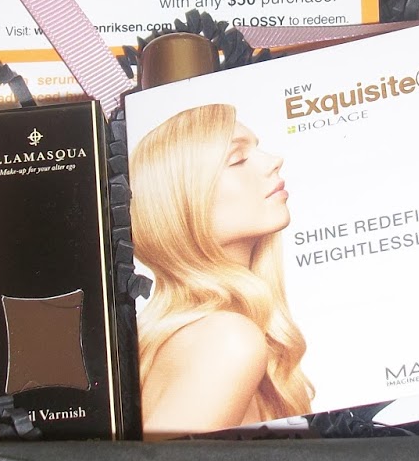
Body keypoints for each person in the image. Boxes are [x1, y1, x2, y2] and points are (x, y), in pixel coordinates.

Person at [129, 101, 314, 435]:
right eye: (238, 159)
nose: (274, 160)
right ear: (184, 201)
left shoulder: (205, 334)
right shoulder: (228, 340)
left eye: (255, 149)